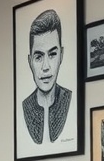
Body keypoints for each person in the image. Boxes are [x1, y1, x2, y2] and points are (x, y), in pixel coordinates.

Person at [22, 8, 71, 144]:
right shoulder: (25, 106)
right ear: (30, 61)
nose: (45, 67)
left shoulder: (69, 99)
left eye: (52, 54)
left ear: (61, 55)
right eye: (38, 57)